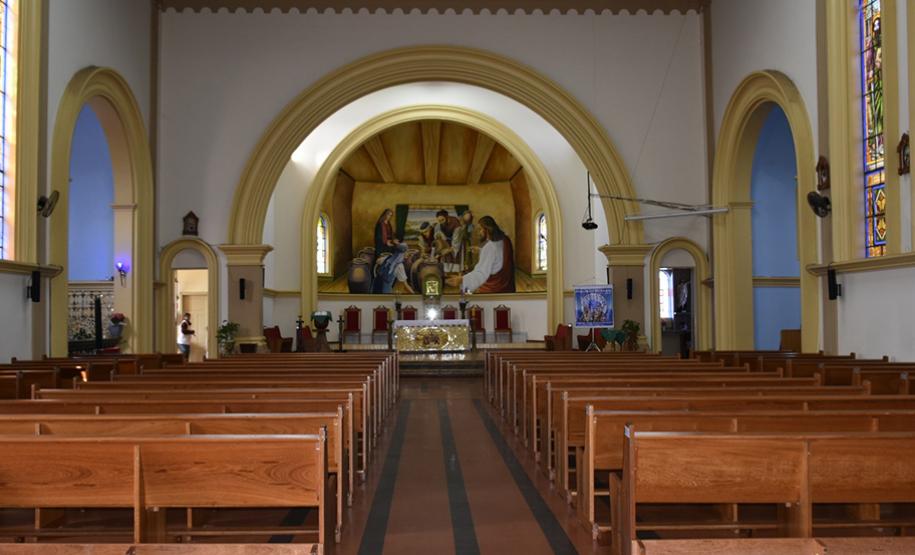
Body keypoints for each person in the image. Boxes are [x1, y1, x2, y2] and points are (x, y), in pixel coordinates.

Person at [446, 215, 515, 293]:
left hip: (493, 289)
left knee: (467, 294)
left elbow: (481, 273)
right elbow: (498, 258)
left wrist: (461, 279)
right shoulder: (505, 239)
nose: (479, 233)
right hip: (507, 286)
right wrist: (480, 250)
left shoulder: (490, 247)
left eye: (480, 229)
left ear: (487, 229)